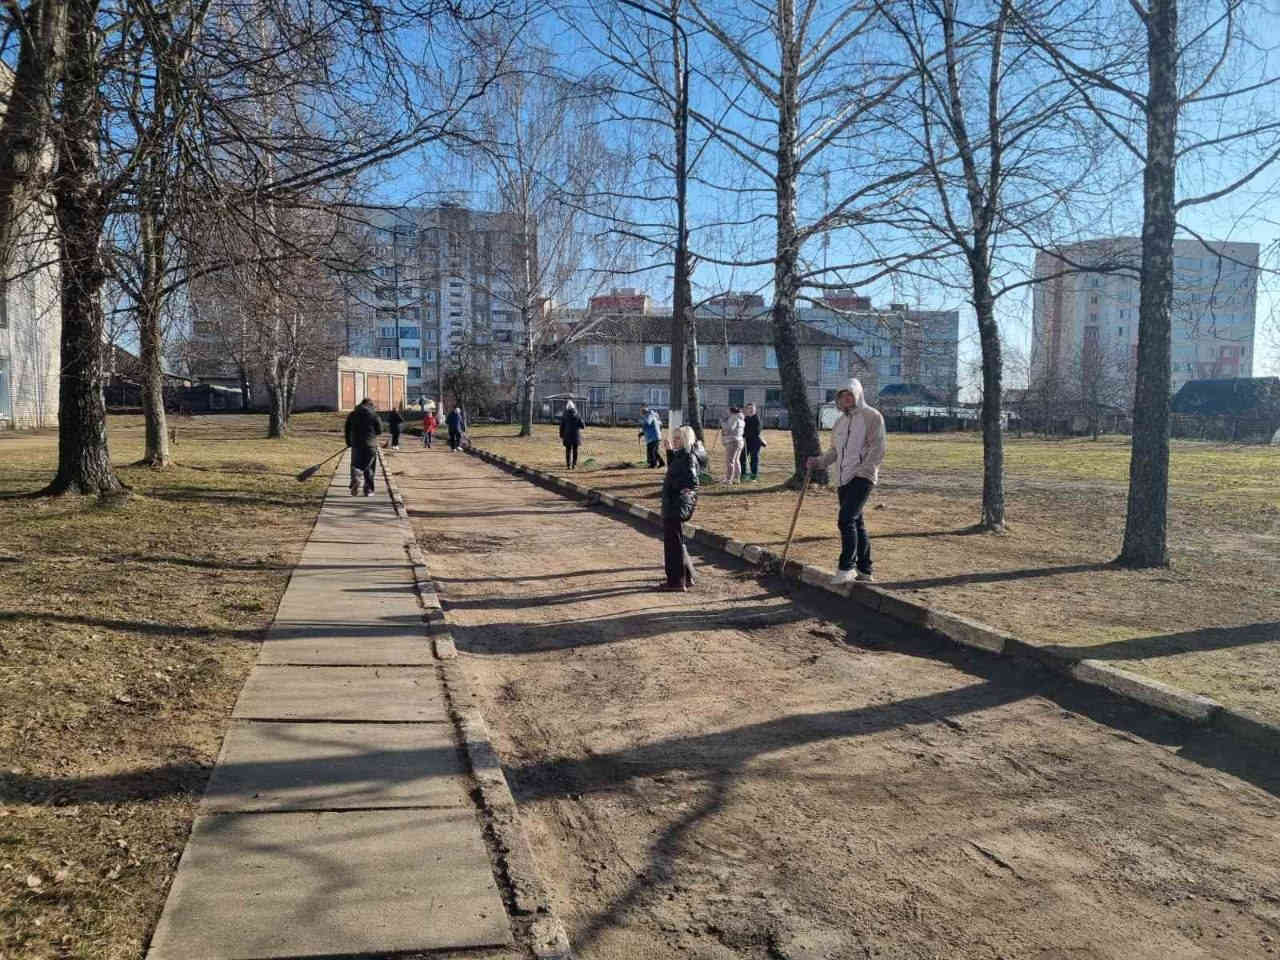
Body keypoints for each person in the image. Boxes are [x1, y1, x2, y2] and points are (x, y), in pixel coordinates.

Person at [806, 378, 886, 584]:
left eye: (850, 394)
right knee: (856, 522)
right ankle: (865, 569)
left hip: (862, 477)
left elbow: (878, 447)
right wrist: (819, 462)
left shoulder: (872, 416)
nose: (846, 398)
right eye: (842, 395)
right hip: (842, 478)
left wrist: (864, 471)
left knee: (845, 519)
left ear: (858, 395)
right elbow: (834, 451)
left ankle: (846, 567)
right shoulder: (840, 422)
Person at [658, 425, 707, 591]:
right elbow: (676, 470)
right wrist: (669, 452)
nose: (675, 440)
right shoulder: (682, 455)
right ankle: (687, 577)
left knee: (673, 545)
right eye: (674, 437)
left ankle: (676, 582)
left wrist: (675, 487)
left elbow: (691, 482)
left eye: (678, 438)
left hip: (676, 505)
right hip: (674, 504)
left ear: (686, 439)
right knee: (677, 542)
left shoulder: (688, 457)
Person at [344, 397, 382, 496]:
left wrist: (348, 442)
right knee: (369, 467)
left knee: (356, 464)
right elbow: (379, 431)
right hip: (370, 445)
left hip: (356, 444)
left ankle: (356, 477)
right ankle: (368, 490)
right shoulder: (374, 415)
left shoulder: (352, 414)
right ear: (371, 405)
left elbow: (347, 429)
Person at [739, 402, 766, 481]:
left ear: (755, 410)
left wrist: (745, 434)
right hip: (746, 441)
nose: (750, 410)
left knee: (754, 458)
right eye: (748, 408)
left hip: (755, 441)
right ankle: (743, 474)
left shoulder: (757, 419)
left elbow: (756, 431)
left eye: (752, 408)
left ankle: (754, 475)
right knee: (742, 458)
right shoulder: (745, 418)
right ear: (746, 410)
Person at [720, 406, 745, 484]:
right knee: (736, 460)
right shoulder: (741, 419)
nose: (727, 413)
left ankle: (728, 479)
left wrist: (723, 423)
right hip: (739, 440)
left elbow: (730, 428)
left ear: (731, 411)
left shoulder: (733, 418)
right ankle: (737, 478)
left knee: (730, 461)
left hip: (732, 441)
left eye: (728, 411)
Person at [559, 400, 585, 470]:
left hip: (567, 435)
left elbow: (561, 426)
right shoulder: (577, 415)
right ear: (574, 407)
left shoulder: (564, 415)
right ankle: (574, 464)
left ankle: (568, 465)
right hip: (576, 436)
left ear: (567, 407)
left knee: (568, 450)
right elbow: (583, 426)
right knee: (575, 450)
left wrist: (561, 435)